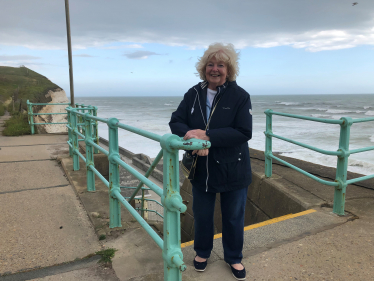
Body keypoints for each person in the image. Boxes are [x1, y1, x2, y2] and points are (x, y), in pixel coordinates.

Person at [169, 42, 252, 280]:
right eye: (210, 64)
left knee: (233, 215)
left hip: (233, 167)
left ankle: (234, 257)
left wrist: (208, 138)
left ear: (229, 70)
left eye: (221, 65)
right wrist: (193, 138)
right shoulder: (193, 93)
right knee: (202, 213)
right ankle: (202, 252)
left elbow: (244, 132)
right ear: (204, 68)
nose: (214, 69)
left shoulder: (240, 96)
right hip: (201, 167)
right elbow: (176, 121)